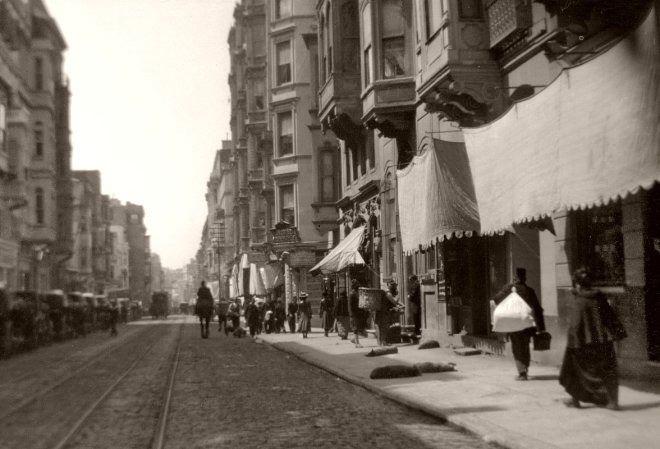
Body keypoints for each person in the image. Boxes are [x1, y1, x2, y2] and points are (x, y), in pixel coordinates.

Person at [559, 268, 626, 410]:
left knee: (572, 367)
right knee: (609, 370)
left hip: (582, 343)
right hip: (603, 341)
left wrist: (572, 343)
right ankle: (613, 402)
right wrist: (618, 334)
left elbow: (575, 324)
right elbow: (610, 317)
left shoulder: (579, 300)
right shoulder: (599, 297)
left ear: (577, 283)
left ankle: (575, 400)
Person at [491, 268, 545, 380]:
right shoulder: (530, 291)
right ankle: (525, 369)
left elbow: (496, 299)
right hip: (527, 324)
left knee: (517, 347)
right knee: (525, 346)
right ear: (525, 278)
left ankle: (522, 373)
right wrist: (541, 328)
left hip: (514, 325)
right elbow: (538, 309)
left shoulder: (509, 289)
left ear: (515, 278)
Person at [375, 281, 401, 346]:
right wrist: (398, 296)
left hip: (380, 312)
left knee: (381, 327)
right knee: (385, 327)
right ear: (388, 285)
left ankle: (381, 342)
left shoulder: (386, 292)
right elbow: (394, 302)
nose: (393, 286)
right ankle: (383, 342)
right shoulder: (388, 293)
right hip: (384, 312)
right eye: (392, 285)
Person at [348, 280, 362, 348]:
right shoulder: (352, 294)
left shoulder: (355, 293)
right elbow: (351, 305)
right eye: (357, 286)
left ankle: (353, 339)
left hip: (356, 313)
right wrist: (352, 314)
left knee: (357, 327)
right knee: (355, 328)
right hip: (354, 313)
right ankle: (357, 343)